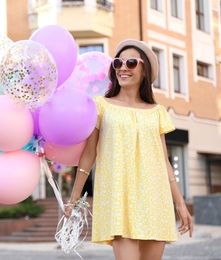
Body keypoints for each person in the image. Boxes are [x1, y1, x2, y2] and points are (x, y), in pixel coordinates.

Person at [65, 39, 193, 260]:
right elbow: (88, 155)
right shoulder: (101, 106)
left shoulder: (157, 112)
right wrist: (74, 198)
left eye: (131, 62)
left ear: (145, 71)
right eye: (118, 63)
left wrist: (180, 204)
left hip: (155, 199)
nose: (123, 67)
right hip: (118, 199)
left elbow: (163, 161)